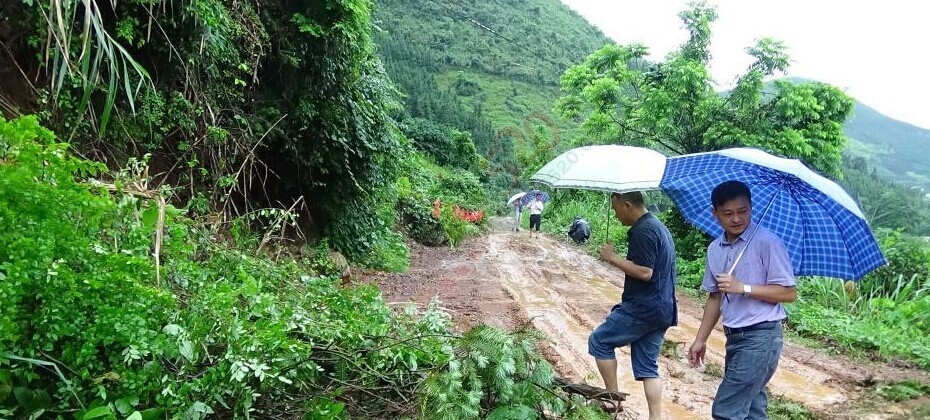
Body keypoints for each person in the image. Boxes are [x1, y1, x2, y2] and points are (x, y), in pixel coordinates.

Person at [687, 180, 797, 420]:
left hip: (761, 336)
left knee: (726, 410)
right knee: (752, 411)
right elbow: (715, 297)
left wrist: (743, 287)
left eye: (743, 211)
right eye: (728, 213)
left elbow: (788, 293)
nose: (736, 219)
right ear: (715, 213)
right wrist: (700, 339)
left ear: (751, 208)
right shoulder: (715, 249)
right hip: (734, 336)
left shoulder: (766, 243)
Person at [588, 191, 677, 419]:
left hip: (643, 308)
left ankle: (612, 399)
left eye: (616, 208)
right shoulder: (658, 226)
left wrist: (613, 258)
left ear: (627, 205)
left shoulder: (643, 230)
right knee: (648, 367)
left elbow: (645, 272)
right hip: (662, 309)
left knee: (599, 341)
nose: (615, 214)